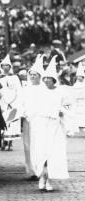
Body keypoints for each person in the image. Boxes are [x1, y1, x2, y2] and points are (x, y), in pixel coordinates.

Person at [29, 56, 75, 192]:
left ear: (54, 79)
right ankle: (42, 176)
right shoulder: (40, 92)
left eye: (49, 78)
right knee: (41, 152)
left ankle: (48, 178)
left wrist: (62, 112)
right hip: (42, 125)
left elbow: (68, 106)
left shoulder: (61, 92)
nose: (46, 80)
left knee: (52, 153)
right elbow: (34, 108)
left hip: (55, 126)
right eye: (45, 78)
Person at [21, 55, 45, 181]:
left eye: (36, 74)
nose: (33, 76)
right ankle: (31, 171)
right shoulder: (26, 89)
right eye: (31, 74)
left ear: (40, 76)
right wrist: (23, 112)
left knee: (38, 144)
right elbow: (21, 103)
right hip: (28, 120)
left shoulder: (44, 89)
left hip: (40, 121)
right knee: (27, 145)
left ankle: (40, 169)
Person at [0, 54, 23, 150]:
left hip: (13, 103)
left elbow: (19, 91)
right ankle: (3, 143)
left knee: (12, 122)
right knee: (3, 122)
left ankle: (10, 144)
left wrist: (17, 102)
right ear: (1, 67)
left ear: (10, 67)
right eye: (3, 65)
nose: (5, 67)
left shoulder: (15, 78)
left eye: (7, 65)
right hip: (3, 102)